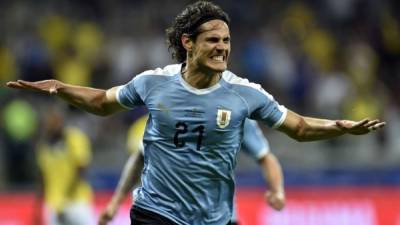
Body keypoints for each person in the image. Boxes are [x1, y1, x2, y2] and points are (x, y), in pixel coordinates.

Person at [7, 1, 385, 224]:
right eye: (213, 40)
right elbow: (102, 103)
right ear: (187, 43)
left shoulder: (244, 93)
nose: (222, 48)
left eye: (226, 41)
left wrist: (339, 127)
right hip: (156, 211)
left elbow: (299, 128)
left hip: (214, 217)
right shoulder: (153, 83)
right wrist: (61, 87)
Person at [97, 116, 284, 225]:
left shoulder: (237, 114)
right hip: (171, 215)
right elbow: (139, 158)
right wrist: (115, 202)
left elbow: (265, 156)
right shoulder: (168, 109)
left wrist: (277, 191)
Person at [33, 107, 95, 225]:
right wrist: (38, 206)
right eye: (49, 123)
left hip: (77, 201)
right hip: (53, 204)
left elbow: (81, 168)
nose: (52, 126)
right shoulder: (44, 147)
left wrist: (65, 199)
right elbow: (42, 178)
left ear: (62, 122)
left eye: (55, 122)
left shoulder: (74, 138)